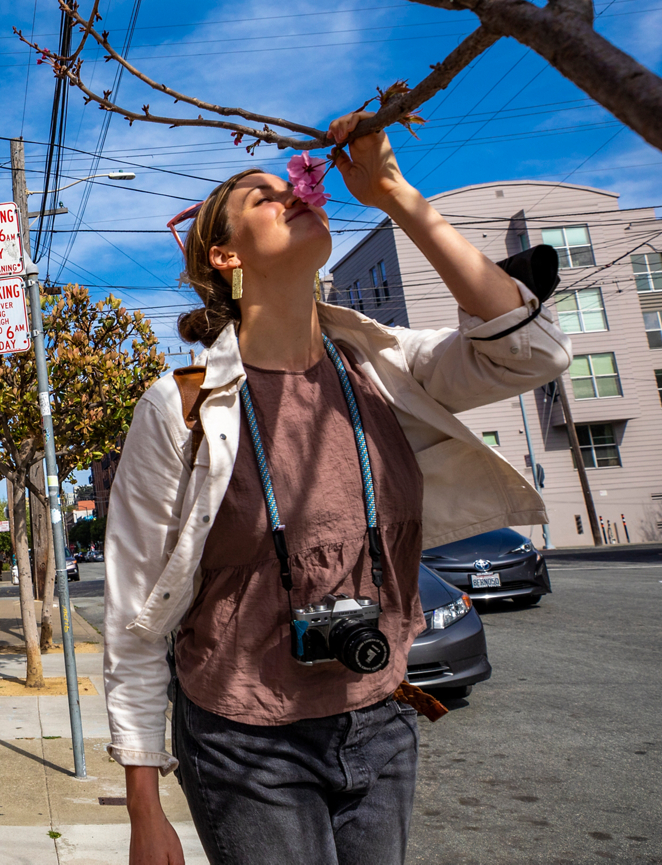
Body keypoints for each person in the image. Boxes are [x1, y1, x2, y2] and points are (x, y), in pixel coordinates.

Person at [103, 111, 572, 865]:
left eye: (290, 183)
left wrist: (392, 191)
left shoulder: (383, 367)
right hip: (242, 736)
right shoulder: (181, 405)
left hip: (380, 715)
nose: (290, 190)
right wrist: (143, 803)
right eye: (261, 196)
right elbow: (133, 615)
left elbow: (529, 354)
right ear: (224, 255)